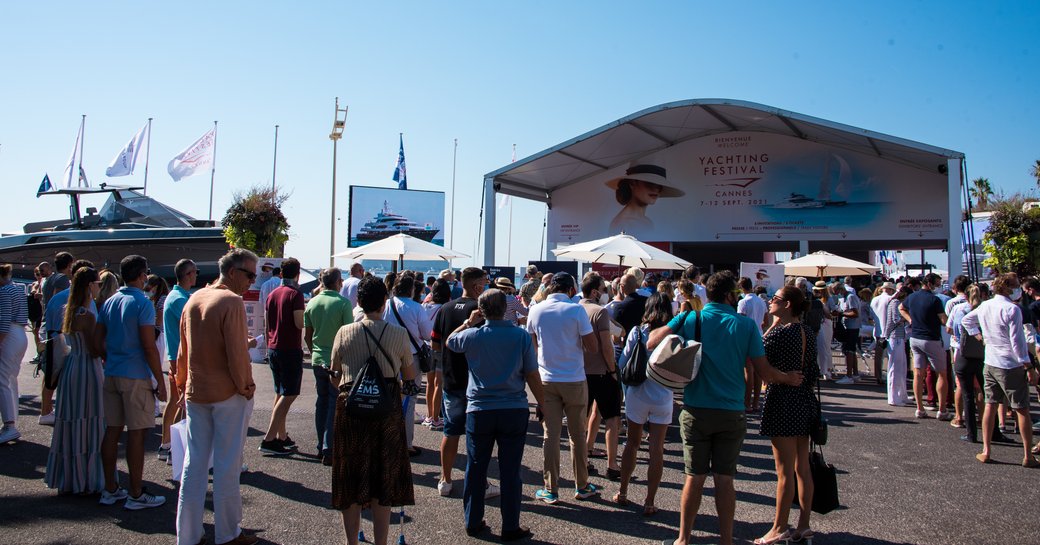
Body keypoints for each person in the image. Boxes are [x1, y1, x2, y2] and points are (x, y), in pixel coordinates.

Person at [648, 271, 802, 545]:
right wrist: (788, 378)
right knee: (724, 479)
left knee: (693, 477)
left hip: (695, 408)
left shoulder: (691, 318)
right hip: (731, 411)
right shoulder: (745, 326)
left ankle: (683, 538)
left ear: (707, 293)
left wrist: (679, 319)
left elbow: (652, 342)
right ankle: (726, 540)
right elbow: (764, 372)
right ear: (732, 295)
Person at [445, 289, 544, 541]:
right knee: (510, 470)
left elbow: (449, 341)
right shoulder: (520, 336)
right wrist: (543, 403)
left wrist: (469, 322)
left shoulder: (472, 335)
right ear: (505, 308)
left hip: (480, 409)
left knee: (476, 467)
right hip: (513, 407)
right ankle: (510, 525)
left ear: (482, 310)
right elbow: (532, 374)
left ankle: (473, 521)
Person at [175, 249, 259, 545]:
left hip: (195, 391)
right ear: (233, 272)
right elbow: (237, 354)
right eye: (250, 275)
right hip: (227, 393)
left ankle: (187, 534)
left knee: (193, 464)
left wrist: (181, 381)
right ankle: (228, 533)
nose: (253, 281)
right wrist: (246, 387)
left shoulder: (194, 298)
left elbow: (183, 349)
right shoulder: (231, 301)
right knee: (226, 464)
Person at [329, 276, 418, 545]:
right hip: (386, 407)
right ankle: (381, 542)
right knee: (384, 474)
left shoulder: (345, 332)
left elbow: (335, 374)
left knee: (351, 474)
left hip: (351, 406)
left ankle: (351, 542)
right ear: (384, 303)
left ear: (358, 301)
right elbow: (410, 375)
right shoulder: (398, 334)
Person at [95, 255, 167, 509]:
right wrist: (160, 380)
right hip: (135, 374)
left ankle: (110, 488)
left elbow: (97, 341)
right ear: (141, 275)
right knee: (137, 435)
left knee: (112, 432)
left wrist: (110, 357)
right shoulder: (143, 303)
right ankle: (136, 493)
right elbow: (149, 346)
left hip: (112, 371)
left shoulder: (110, 301)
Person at [526, 272, 600, 504]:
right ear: (570, 290)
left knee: (551, 436)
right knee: (578, 435)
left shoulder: (536, 310)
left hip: (546, 379)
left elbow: (533, 345)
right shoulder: (576, 310)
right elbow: (592, 347)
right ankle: (582, 485)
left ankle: (551, 488)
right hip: (574, 378)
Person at [755, 286, 819, 545]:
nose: (771, 302)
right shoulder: (806, 332)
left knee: (783, 471)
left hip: (782, 400)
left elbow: (759, 354)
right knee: (802, 468)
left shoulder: (780, 333)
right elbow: (813, 369)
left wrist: (772, 325)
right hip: (804, 400)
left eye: (776, 299)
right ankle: (803, 524)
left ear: (788, 305)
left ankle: (779, 526)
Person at [432, 267, 500, 498]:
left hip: (451, 378)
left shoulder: (444, 308)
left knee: (450, 432)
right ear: (477, 286)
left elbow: (435, 344)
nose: (487, 285)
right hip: (475, 381)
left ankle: (445, 480)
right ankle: (479, 483)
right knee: (476, 436)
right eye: (485, 282)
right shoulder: (480, 311)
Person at [961, 273, 1040, 467]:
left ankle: (986, 450)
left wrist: (981, 338)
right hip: (1010, 364)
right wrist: (1028, 366)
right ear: (1007, 288)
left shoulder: (985, 305)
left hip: (990, 361)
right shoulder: (1012, 309)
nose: (1018, 290)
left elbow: (967, 321)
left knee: (990, 404)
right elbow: (1017, 342)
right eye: (1016, 286)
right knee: (1021, 408)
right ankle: (1027, 456)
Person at [44, 267, 104, 492]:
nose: (98, 288)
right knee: (90, 419)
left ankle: (69, 477)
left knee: (72, 419)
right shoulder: (86, 315)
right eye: (97, 284)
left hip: (72, 368)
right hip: (88, 369)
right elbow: (95, 350)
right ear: (89, 286)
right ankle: (87, 479)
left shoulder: (67, 310)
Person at [615, 293, 674, 516]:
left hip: (638, 392)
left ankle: (623, 492)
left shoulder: (638, 332)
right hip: (663, 394)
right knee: (656, 449)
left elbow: (623, 362)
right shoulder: (673, 334)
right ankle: (650, 501)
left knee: (632, 443)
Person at [304, 267, 353, 465]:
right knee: (334, 403)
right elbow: (348, 336)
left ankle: (320, 444)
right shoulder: (343, 303)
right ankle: (329, 446)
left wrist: (314, 350)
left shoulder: (312, 302)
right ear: (337, 282)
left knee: (321, 401)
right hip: (336, 360)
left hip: (317, 358)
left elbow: (307, 335)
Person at [578, 272, 621, 480]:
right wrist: (613, 369)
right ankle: (612, 465)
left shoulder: (574, 309)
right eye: (604, 290)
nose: (605, 293)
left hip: (579, 372)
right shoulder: (600, 312)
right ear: (595, 291)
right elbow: (606, 345)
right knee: (612, 417)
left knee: (583, 418)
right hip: (602, 372)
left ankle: (584, 459)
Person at [260, 258, 305, 455]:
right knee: (290, 393)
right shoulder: (295, 294)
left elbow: (267, 323)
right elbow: (298, 323)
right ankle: (269, 438)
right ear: (298, 274)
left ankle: (281, 435)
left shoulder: (273, 294)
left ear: (280, 274)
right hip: (289, 347)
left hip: (273, 346)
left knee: (279, 391)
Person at [383, 273, 431, 456]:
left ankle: (388, 438)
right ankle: (406, 443)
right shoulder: (416, 308)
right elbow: (427, 334)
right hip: (411, 358)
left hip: (387, 356)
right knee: (409, 400)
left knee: (389, 398)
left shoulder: (385, 305)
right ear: (412, 289)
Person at [158, 259, 197, 462]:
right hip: (181, 357)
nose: (197, 275)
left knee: (176, 401)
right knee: (182, 403)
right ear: (188, 274)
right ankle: (174, 448)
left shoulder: (176, 296)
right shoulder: (179, 299)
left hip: (175, 355)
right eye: (194, 272)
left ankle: (167, 444)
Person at [900, 273, 951, 420]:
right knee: (941, 373)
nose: (938, 286)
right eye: (937, 283)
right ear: (930, 283)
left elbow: (901, 307)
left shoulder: (913, 297)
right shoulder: (935, 300)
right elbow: (943, 320)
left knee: (918, 373)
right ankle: (941, 410)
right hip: (931, 338)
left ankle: (920, 408)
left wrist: (911, 320)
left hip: (915, 338)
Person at [38, 251, 73, 423]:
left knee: (49, 370)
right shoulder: (61, 280)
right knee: (54, 370)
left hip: (46, 325)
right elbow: (59, 303)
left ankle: (46, 409)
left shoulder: (49, 279)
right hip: (54, 329)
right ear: (69, 264)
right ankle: (46, 410)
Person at [605, 163, 685, 239]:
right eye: (650, 182)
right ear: (632, 183)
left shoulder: (646, 222)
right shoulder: (623, 224)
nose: (656, 189)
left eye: (660, 185)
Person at [948, 284, 986, 442]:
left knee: (965, 391)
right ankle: (986, 422)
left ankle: (962, 420)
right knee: (983, 391)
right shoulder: (985, 309)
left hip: (962, 351)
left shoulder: (959, 309)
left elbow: (949, 328)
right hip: (983, 353)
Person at [0, 264, 29, 444]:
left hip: (9, 334)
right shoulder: (17, 288)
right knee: (11, 379)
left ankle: (10, 425)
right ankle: (11, 422)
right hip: (20, 334)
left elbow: (3, 320)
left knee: (2, 380)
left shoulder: (4, 292)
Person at [421, 279, 452, 429]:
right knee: (439, 383)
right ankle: (435, 418)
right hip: (440, 346)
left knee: (429, 383)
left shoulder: (424, 306)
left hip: (426, 347)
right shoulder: (445, 308)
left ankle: (428, 415)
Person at [738, 276, 768, 410]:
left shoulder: (743, 302)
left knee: (748, 372)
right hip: (760, 337)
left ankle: (747, 403)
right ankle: (755, 403)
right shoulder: (761, 301)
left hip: (747, 339)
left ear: (741, 288)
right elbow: (766, 321)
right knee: (757, 372)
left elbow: (741, 322)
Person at [883, 286, 913, 406]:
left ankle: (901, 394)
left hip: (898, 337)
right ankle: (894, 397)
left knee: (901, 367)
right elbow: (896, 319)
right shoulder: (895, 303)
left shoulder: (895, 302)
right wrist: (909, 318)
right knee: (895, 368)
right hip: (895, 337)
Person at [833, 282, 862, 385]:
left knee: (849, 350)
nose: (836, 295)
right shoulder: (844, 298)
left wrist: (841, 313)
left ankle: (849, 375)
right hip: (848, 327)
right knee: (851, 350)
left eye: (836, 292)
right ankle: (855, 374)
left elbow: (855, 313)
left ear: (840, 289)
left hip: (852, 327)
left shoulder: (850, 297)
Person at [812, 281, 834, 381]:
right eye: (816, 290)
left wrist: (823, 308)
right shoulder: (815, 299)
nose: (817, 292)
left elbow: (831, 314)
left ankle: (827, 370)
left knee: (826, 347)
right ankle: (822, 369)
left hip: (826, 323)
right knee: (820, 347)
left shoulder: (829, 299)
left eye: (819, 290)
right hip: (819, 323)